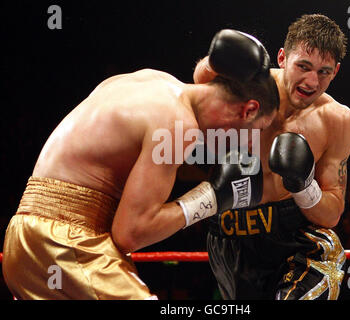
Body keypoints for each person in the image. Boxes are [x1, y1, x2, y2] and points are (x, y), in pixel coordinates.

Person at [2, 30, 280, 300]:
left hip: (27, 237)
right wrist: (212, 197)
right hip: (64, 243)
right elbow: (130, 233)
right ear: (249, 110)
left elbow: (205, 75)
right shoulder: (177, 125)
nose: (245, 147)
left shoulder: (150, 79)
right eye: (256, 131)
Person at [193, 14, 350, 300]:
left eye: (324, 72)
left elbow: (332, 212)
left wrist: (305, 187)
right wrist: (215, 59)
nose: (311, 81)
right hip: (230, 235)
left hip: (296, 237)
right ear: (282, 58)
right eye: (303, 67)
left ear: (337, 72)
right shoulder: (249, 87)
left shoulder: (337, 120)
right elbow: (200, 82)